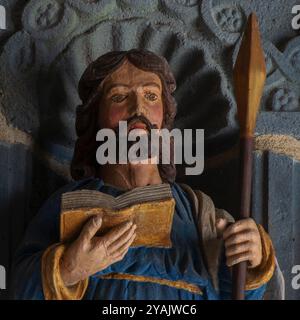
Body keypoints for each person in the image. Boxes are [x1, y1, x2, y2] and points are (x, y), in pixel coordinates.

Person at [11, 49, 275, 300]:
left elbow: (233, 293)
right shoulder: (68, 202)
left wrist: (251, 261)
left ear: (164, 118)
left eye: (151, 96)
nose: (138, 108)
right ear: (96, 117)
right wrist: (68, 269)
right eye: (119, 97)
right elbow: (20, 288)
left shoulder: (200, 213)